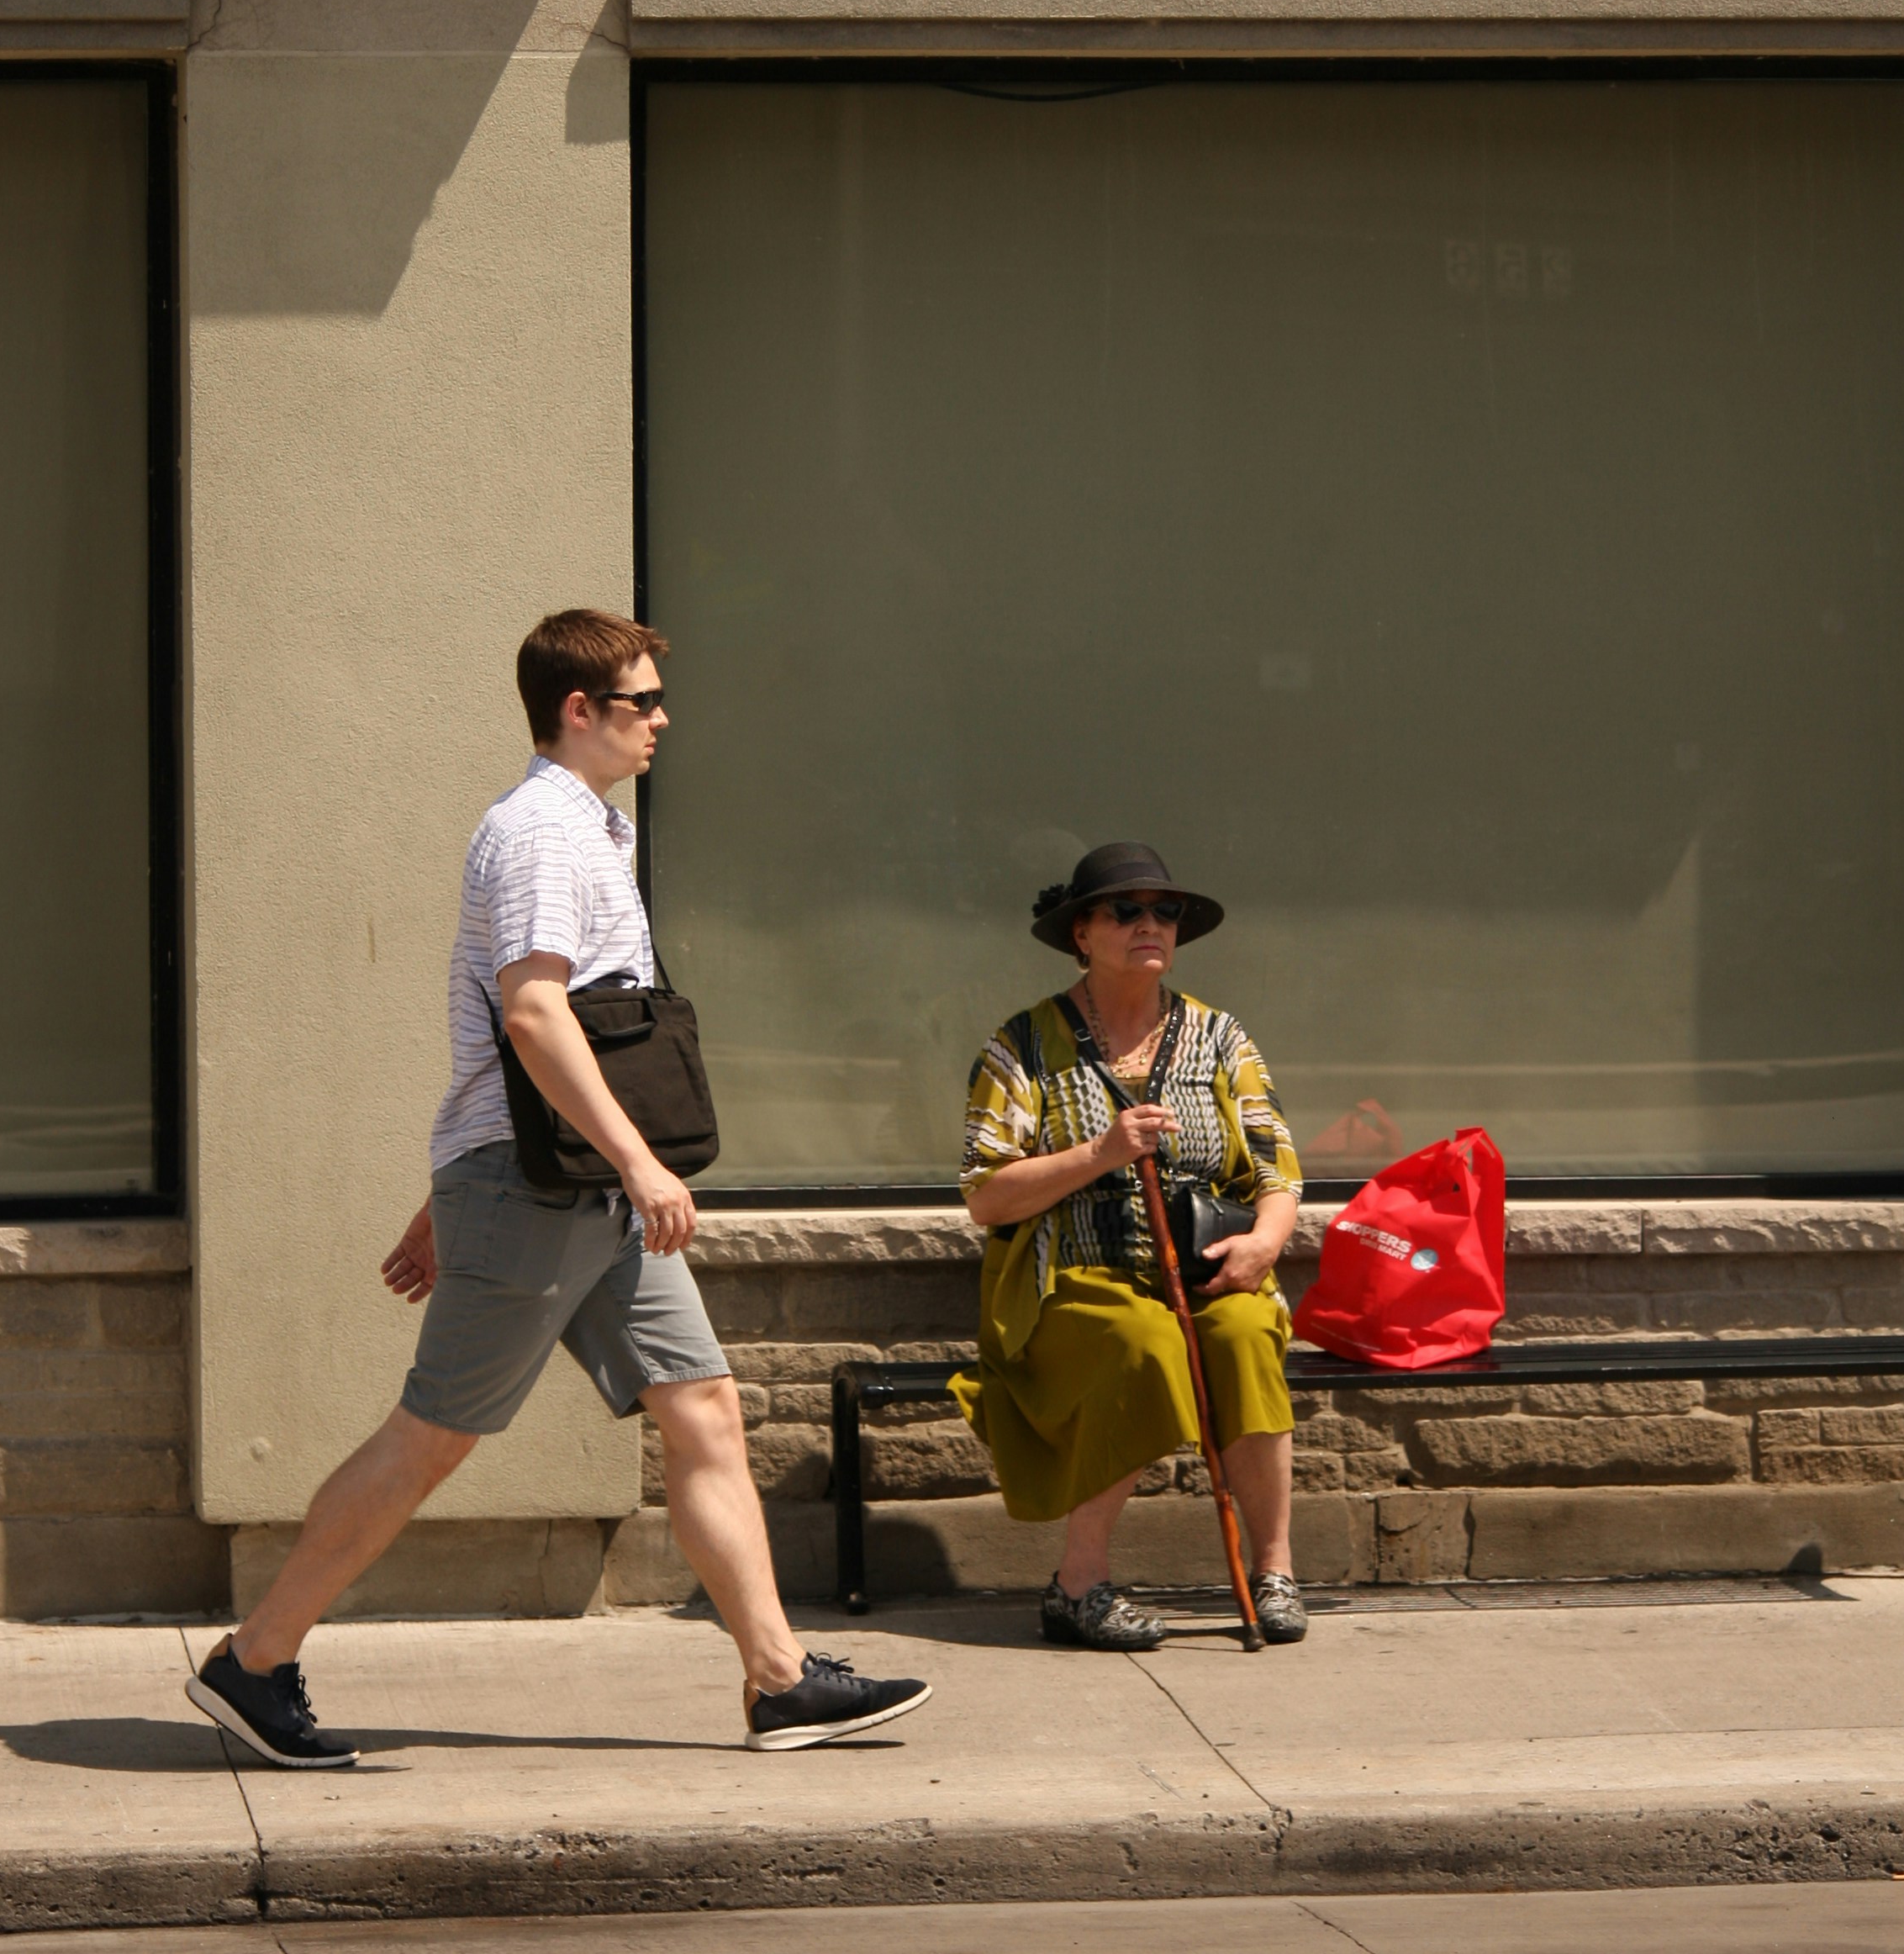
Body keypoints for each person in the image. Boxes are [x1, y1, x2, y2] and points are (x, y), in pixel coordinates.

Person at [187, 607, 930, 1766]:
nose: (661, 723)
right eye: (640, 704)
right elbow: (533, 1012)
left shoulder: (592, 830)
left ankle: (779, 1680)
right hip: (556, 1193)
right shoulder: (538, 833)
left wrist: (469, 1187)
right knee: (434, 1435)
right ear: (577, 712)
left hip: (570, 1187)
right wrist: (628, 1165)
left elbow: (531, 1035)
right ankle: (256, 1658)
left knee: (703, 1407)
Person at [951, 842, 1308, 1650]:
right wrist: (1099, 1154)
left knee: (1248, 1337)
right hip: (1075, 1280)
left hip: (1211, 1271)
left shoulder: (1221, 1038)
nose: (1151, 925)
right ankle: (1078, 1585)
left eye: (1165, 912)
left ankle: (1276, 1571)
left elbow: (1278, 1169)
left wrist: (1263, 1247)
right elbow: (986, 1195)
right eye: (1127, 911)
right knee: (1145, 1344)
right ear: (1082, 932)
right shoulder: (1023, 1048)